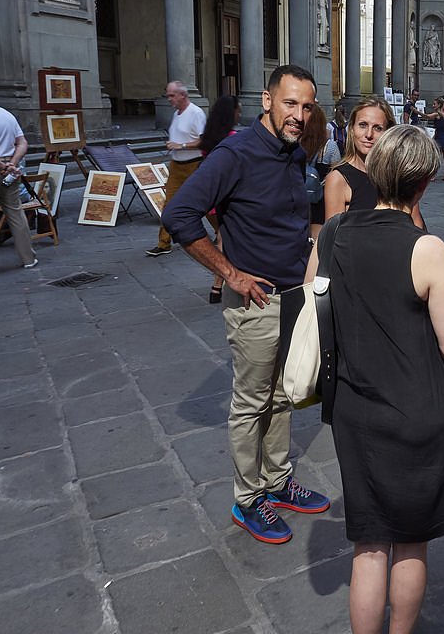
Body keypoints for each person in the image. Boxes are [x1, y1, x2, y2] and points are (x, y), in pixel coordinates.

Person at [307, 124, 444, 634]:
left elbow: (314, 305)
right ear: (423, 184)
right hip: (417, 411)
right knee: (410, 542)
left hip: (354, 412)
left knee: (369, 544)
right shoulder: (428, 249)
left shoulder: (333, 233)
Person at [162, 64, 331, 544]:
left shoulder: (293, 153)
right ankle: (248, 498)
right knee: (252, 402)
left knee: (282, 396)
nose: (299, 115)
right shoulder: (235, 153)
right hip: (255, 304)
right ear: (267, 100)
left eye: (306, 106)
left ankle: (276, 482)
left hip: (293, 298)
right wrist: (230, 273)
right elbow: (178, 214)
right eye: (290, 103)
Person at [323, 97, 425, 229]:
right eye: (363, 125)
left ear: (387, 132)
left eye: (377, 128)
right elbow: (332, 236)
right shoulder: (338, 179)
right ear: (352, 128)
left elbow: (417, 227)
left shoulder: (398, 174)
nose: (369, 134)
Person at [147, 81, 207, 257]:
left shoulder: (196, 113)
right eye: (168, 96)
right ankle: (163, 243)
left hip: (194, 164)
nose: (169, 99)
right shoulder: (176, 114)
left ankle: (221, 232)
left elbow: (204, 140)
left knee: (206, 202)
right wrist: (173, 145)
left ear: (183, 95)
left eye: (172, 95)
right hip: (176, 165)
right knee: (169, 205)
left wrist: (181, 145)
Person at [199, 94, 241, 303]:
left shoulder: (208, 137)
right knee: (224, 240)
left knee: (221, 237)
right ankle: (217, 286)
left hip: (211, 199)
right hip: (226, 198)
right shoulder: (233, 138)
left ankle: (218, 286)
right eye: (238, 110)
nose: (240, 114)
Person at [0, 107, 38, 269]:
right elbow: (22, 143)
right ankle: (28, 258)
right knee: (15, 212)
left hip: (4, 167)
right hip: (10, 167)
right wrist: (12, 164)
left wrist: (3, 166)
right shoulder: (7, 115)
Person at [302, 104, 343, 239]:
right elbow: (336, 172)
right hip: (322, 199)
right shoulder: (330, 146)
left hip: (300, 196)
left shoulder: (298, 143)